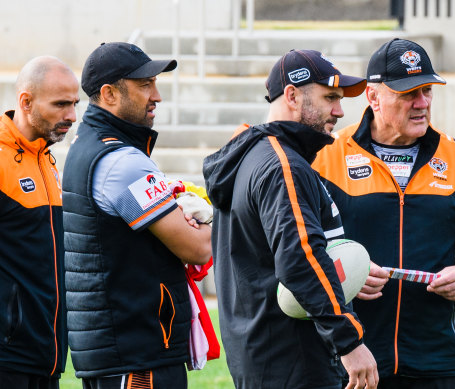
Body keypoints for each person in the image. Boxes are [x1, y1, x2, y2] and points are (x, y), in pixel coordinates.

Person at [312, 38, 455, 389]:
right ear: (373, 97)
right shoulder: (324, 158)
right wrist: (347, 271)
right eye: (407, 93)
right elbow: (304, 247)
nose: (422, 103)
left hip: (435, 360)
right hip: (352, 357)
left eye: (427, 90)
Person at [203, 49, 379, 389]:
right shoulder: (282, 165)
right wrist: (350, 342)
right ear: (292, 96)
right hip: (292, 360)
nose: (340, 111)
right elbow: (301, 258)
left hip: (264, 356)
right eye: (330, 98)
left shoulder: (257, 155)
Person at [61, 42, 212, 389]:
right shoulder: (121, 162)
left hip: (119, 351)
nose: (156, 95)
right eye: (145, 85)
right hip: (137, 355)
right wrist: (205, 219)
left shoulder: (91, 146)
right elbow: (197, 248)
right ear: (109, 94)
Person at [0, 56, 79, 389]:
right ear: (26, 102)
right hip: (8, 358)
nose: (72, 116)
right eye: (61, 104)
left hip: (46, 357)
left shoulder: (46, 157)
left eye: (75, 104)